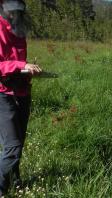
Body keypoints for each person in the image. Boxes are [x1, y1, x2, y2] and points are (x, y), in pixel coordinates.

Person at [0, 0, 42, 195]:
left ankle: (15, 184)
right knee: (13, 147)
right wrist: (20, 66)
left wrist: (28, 70)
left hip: (22, 92)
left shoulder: (19, 28)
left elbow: (19, 61)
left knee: (19, 143)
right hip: (3, 94)